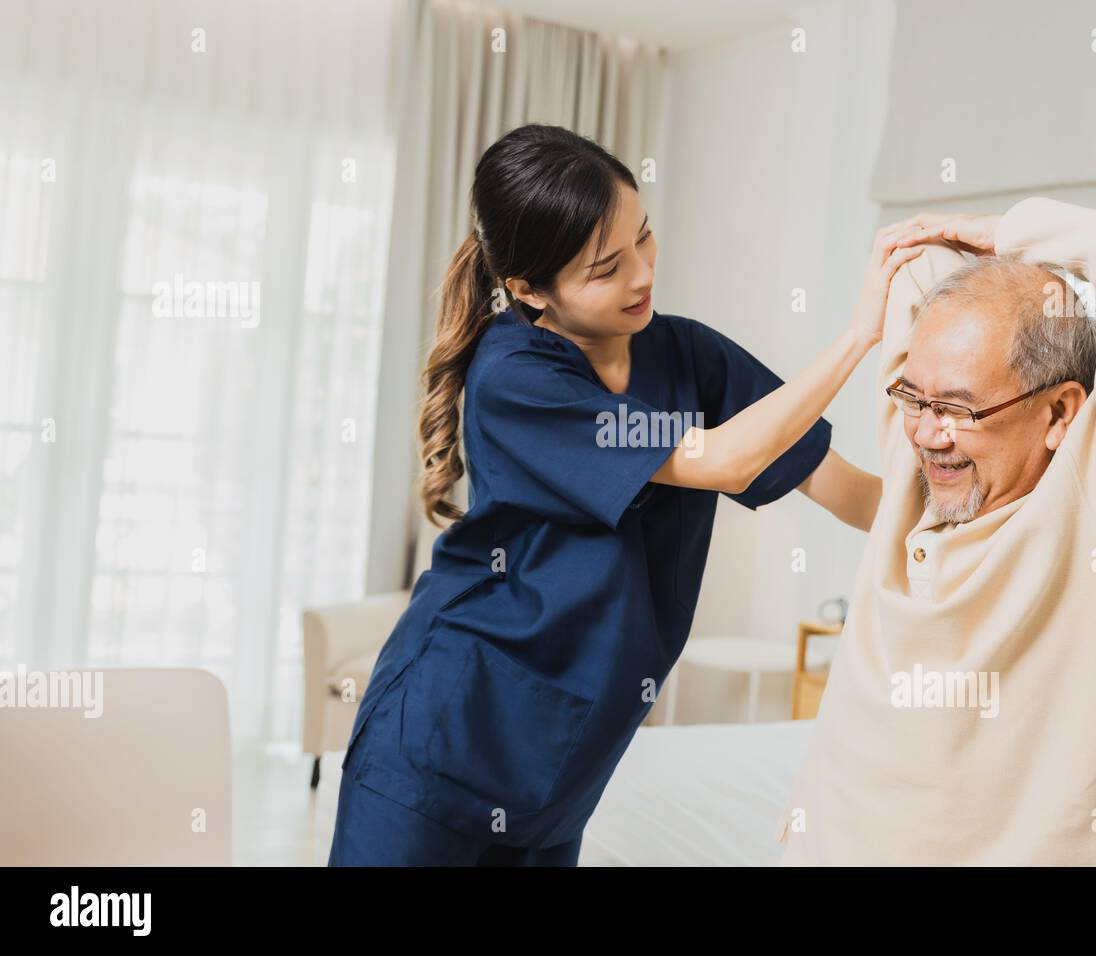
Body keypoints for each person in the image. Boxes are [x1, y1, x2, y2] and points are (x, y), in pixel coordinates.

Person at [328, 123, 923, 866]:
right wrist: (861, 333)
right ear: (528, 291)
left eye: (644, 238)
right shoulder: (516, 379)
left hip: (564, 765)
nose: (642, 275)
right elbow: (730, 458)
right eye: (606, 268)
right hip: (442, 737)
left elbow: (850, 492)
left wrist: (1004, 517)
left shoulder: (688, 355)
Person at [776, 201, 1096, 865]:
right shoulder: (919, 452)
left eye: (959, 409)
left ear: (1060, 413)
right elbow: (915, 261)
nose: (926, 434)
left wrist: (1010, 230)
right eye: (914, 397)